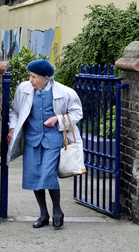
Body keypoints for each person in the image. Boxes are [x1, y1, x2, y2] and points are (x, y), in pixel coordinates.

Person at [6, 59, 83, 229]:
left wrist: (58, 119)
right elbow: (14, 110)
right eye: (30, 76)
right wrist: (12, 128)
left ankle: (57, 211)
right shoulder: (23, 89)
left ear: (46, 78)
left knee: (48, 175)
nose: (30, 80)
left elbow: (78, 113)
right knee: (34, 177)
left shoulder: (65, 92)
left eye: (34, 77)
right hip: (32, 140)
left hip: (54, 139)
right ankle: (43, 214)